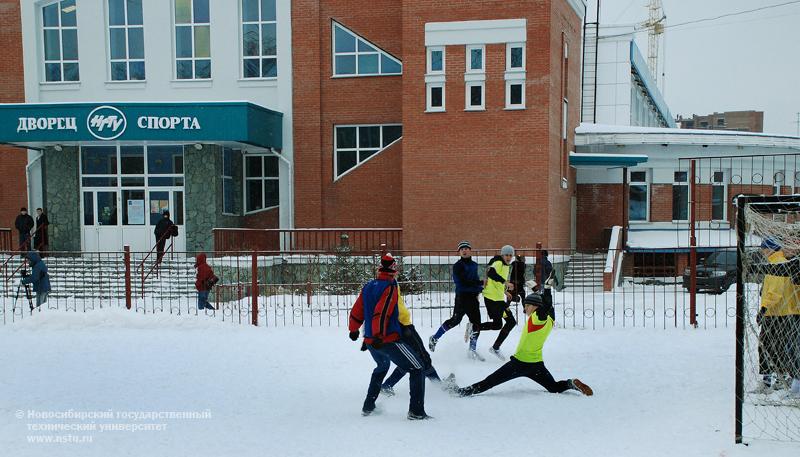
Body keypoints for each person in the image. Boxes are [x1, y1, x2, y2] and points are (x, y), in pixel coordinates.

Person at [456, 293, 593, 397]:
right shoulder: (550, 320)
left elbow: (542, 312)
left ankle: (460, 392)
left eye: (527, 305)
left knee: (489, 382)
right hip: (536, 364)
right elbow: (549, 309)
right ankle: (570, 383)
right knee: (554, 387)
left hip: (519, 364)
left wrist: (543, 293)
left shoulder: (536, 318)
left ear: (536, 307)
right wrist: (545, 290)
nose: (525, 309)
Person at [348, 253, 431, 419]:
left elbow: (358, 309)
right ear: (393, 271)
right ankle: (416, 412)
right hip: (386, 339)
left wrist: (354, 329)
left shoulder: (369, 285)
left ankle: (368, 407)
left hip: (371, 341)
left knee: (381, 367)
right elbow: (383, 311)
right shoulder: (390, 286)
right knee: (417, 367)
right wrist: (379, 335)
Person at [753, 239, 800, 392]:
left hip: (776, 313)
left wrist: (764, 309)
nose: (762, 253)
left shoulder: (777, 263)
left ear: (769, 249)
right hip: (787, 312)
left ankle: (769, 382)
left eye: (764, 250)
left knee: (767, 347)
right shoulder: (782, 261)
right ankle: (780, 379)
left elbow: (775, 291)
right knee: (780, 348)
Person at [429, 240, 484, 360]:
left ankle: (472, 350)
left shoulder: (474, 265)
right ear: (459, 252)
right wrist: (480, 284)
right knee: (455, 321)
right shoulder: (458, 266)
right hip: (462, 297)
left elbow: (474, 279)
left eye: (466, 248)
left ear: (470, 250)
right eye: (461, 249)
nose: (464, 250)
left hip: (473, 298)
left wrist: (478, 289)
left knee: (477, 324)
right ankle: (435, 337)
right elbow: (462, 282)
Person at [478, 245, 517, 360]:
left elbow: (495, 281)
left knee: (497, 325)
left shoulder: (506, 265)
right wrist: (505, 283)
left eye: (511, 255)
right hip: (492, 298)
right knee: (511, 322)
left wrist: (505, 291)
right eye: (506, 255)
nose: (509, 257)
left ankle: (475, 327)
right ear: (502, 255)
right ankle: (495, 347)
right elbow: (491, 274)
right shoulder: (498, 262)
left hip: (497, 298)